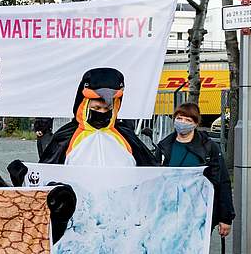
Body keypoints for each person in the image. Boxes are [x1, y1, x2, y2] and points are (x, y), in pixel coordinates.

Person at [36, 67, 156, 167]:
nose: (102, 112)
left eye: (108, 109)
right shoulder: (66, 138)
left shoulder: (126, 137)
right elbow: (46, 175)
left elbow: (153, 173)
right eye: (96, 108)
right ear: (84, 105)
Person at [156, 103, 234, 237]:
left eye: (188, 120)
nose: (182, 122)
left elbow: (222, 182)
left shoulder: (209, 148)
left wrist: (225, 218)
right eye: (180, 118)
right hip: (169, 212)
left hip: (199, 213)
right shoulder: (164, 146)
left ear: (196, 124)